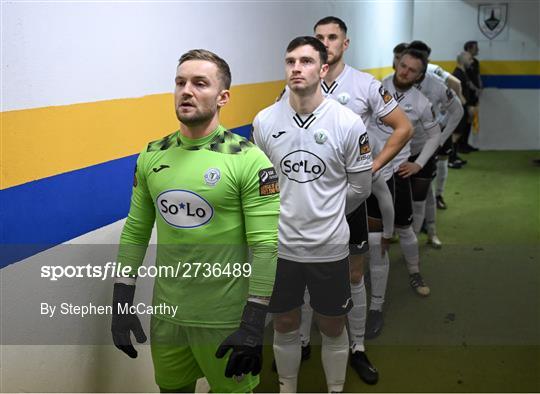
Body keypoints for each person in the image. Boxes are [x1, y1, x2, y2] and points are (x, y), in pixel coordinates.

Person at [111, 49, 280, 393]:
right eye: (180, 82)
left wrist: (253, 324)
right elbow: (136, 230)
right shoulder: (152, 154)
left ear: (223, 97)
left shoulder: (249, 159)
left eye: (199, 83)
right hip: (168, 316)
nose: (186, 90)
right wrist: (121, 302)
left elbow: (265, 246)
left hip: (225, 320)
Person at [290, 16, 412, 385]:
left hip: (349, 198)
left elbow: (403, 127)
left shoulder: (365, 85)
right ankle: (300, 342)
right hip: (307, 199)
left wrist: (373, 165)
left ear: (345, 43)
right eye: (319, 37)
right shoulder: (295, 86)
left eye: (332, 37)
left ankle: (357, 347)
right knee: (308, 273)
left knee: (353, 274)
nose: (325, 42)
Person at [252, 36, 372, 393]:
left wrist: (326, 213)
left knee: (332, 325)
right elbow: (263, 184)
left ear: (322, 69)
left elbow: (360, 187)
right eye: (290, 61)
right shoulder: (264, 120)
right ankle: (287, 387)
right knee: (285, 322)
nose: (296, 68)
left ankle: (334, 388)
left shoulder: (348, 123)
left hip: (329, 247)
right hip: (282, 247)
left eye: (305, 61)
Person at [365, 48, 441, 337]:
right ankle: (369, 284)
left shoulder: (421, 102)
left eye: (411, 69)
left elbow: (434, 135)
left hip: (396, 172)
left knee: (404, 229)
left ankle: (414, 272)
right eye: (402, 65)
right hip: (369, 170)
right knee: (372, 234)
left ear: (420, 75)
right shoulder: (375, 87)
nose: (404, 71)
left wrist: (418, 163)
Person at [408, 41, 464, 247]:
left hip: (426, 144)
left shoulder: (434, 76)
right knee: (402, 192)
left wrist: (440, 138)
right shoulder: (396, 81)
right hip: (402, 147)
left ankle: (429, 231)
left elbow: (456, 100)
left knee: (424, 191)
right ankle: (404, 230)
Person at [452, 51, 476, 165]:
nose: (472, 61)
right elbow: (457, 93)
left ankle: (454, 156)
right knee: (455, 134)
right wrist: (466, 106)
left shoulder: (464, 73)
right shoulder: (457, 74)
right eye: (470, 59)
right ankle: (450, 158)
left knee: (459, 133)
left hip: (463, 107)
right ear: (463, 60)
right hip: (458, 108)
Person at [462, 40, 481, 152]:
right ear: (469, 48)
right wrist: (472, 86)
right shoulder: (464, 62)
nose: (477, 50)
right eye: (475, 48)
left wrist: (480, 86)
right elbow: (465, 77)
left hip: (475, 94)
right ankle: (460, 144)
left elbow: (477, 75)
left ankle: (466, 143)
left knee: (470, 118)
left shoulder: (476, 62)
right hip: (467, 94)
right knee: (465, 118)